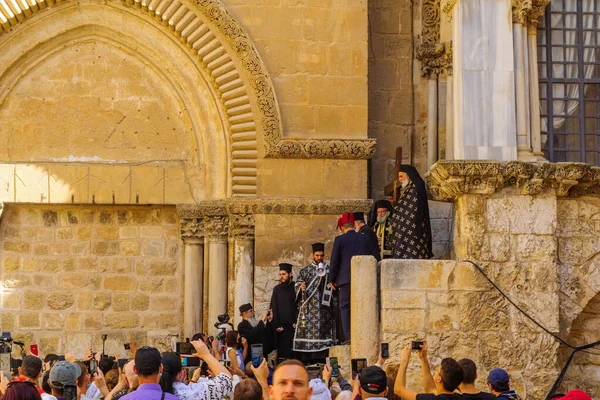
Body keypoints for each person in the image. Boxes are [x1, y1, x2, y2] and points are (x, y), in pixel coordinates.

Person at [329, 212, 372, 343]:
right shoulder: (364, 238)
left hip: (345, 280)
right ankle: (362, 335)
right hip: (362, 278)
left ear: (342, 228)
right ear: (354, 225)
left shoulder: (340, 240)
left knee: (345, 307)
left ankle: (348, 337)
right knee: (361, 306)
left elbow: (334, 261)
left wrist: (332, 279)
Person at [294, 243, 336, 364]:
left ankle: (322, 358)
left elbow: (333, 286)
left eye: (321, 255)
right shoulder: (305, 271)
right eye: (317, 255)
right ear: (313, 255)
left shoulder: (328, 269)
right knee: (309, 333)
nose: (319, 258)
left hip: (324, 309)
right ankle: (308, 360)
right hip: (309, 309)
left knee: (323, 333)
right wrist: (301, 287)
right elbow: (297, 285)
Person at [158, 341, 233, 400]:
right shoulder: (190, 394)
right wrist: (206, 355)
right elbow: (227, 380)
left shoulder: (150, 394)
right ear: (181, 374)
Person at [390, 165, 433, 259]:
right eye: (399, 177)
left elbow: (413, 211)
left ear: (408, 175)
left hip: (412, 233)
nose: (399, 179)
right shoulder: (408, 189)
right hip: (404, 233)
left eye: (401, 176)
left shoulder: (415, 188)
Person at [394, 343, 463, 400]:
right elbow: (431, 389)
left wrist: (404, 359)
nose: (435, 372)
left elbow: (398, 390)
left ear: (439, 379)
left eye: (437, 370)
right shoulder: (460, 398)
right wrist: (423, 358)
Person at [270, 263, 298, 361]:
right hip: (282, 329)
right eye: (280, 274)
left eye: (284, 274)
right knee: (283, 357)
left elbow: (299, 305)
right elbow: (273, 307)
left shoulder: (296, 287)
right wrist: (276, 325)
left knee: (295, 356)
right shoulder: (277, 289)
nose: (281, 277)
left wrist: (297, 321)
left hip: (294, 327)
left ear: (290, 274)